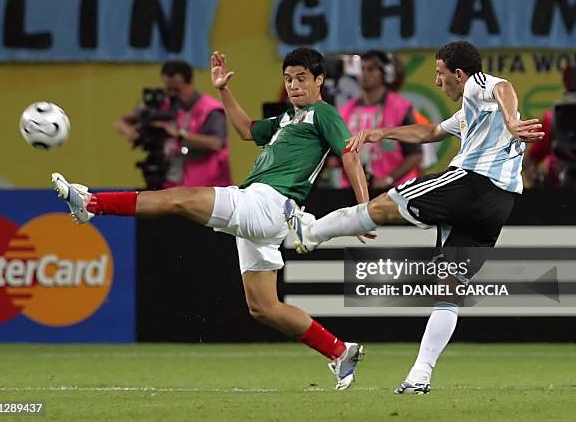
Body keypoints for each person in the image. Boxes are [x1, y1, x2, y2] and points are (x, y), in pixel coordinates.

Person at [52, 48, 372, 390]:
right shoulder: (285, 120)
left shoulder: (323, 114)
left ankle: (92, 203)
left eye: (302, 79)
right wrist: (222, 88)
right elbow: (247, 130)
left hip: (266, 202)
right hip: (265, 213)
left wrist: (363, 211)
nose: (294, 85)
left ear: (319, 80)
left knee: (181, 198)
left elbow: (350, 154)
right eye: (288, 79)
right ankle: (340, 351)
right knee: (264, 308)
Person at [285, 41, 544, 394]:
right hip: (498, 204)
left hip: (471, 183)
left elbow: (504, 87)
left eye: (440, 74)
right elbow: (430, 132)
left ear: (458, 73)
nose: (438, 82)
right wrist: (383, 133)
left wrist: (513, 120)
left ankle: (312, 231)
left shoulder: (480, 85)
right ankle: (420, 375)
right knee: (449, 289)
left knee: (384, 206)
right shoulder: (472, 111)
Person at [114, 60, 232, 189]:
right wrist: (135, 134)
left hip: (208, 186)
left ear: (190, 83)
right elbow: (120, 122)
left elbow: (217, 143)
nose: (171, 94)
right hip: (171, 182)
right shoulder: (163, 103)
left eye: (176, 89)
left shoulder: (210, 109)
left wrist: (179, 135)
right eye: (168, 89)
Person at [336, 50, 423, 190]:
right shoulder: (344, 110)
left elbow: (415, 155)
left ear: (386, 74)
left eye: (370, 69)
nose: (364, 74)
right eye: (362, 69)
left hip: (396, 190)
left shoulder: (400, 107)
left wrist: (389, 179)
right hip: (353, 190)